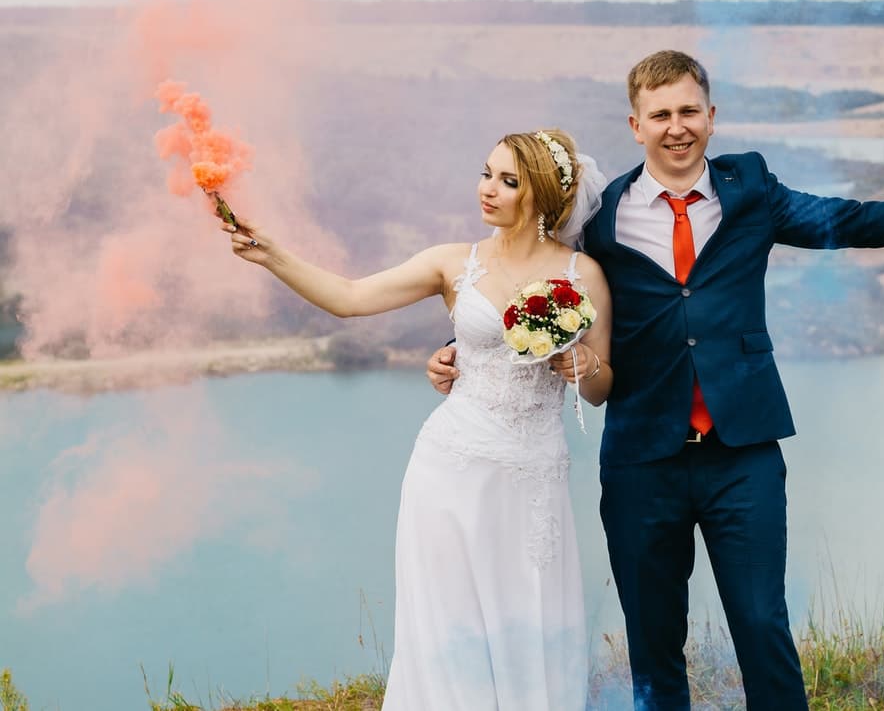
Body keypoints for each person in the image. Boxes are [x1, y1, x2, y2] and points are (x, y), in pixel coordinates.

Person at [428, 51, 884, 710]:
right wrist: (467, 351)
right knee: (653, 643)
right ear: (635, 125)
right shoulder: (600, 219)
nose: (676, 127)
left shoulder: (752, 191)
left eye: (688, 111)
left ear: (711, 116)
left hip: (743, 454)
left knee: (761, 627)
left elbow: (855, 221)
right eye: (660, 115)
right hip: (641, 462)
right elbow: (541, 291)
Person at [225, 129, 612, 711]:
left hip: (534, 474)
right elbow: (350, 298)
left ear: (542, 196)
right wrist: (271, 255)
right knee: (447, 621)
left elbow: (602, 390)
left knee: (530, 612)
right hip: (450, 467)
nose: (487, 189)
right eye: (486, 173)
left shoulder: (585, 276)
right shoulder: (453, 262)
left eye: (508, 181)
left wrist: (582, 363)